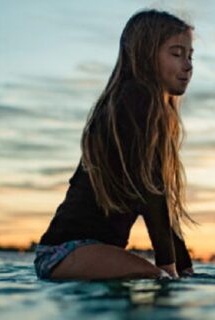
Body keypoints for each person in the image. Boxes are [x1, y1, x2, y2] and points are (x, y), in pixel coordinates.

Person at [34, 10, 195, 280]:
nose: (188, 66)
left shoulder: (149, 110)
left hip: (85, 252)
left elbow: (160, 200)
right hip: (64, 252)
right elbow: (150, 191)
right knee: (159, 278)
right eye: (177, 54)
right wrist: (168, 266)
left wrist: (185, 266)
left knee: (170, 278)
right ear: (144, 55)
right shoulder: (135, 100)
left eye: (190, 56)